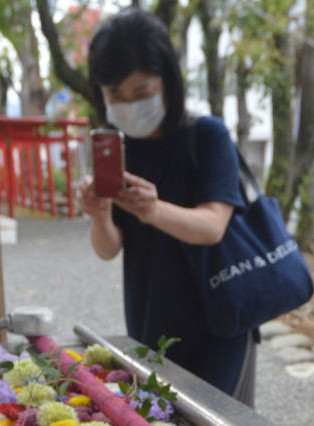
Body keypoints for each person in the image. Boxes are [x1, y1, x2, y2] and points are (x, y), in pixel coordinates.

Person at [77, 7, 257, 405]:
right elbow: (108, 249)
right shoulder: (120, 147)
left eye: (141, 93)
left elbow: (212, 226)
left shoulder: (206, 136)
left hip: (218, 324)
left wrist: (153, 209)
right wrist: (99, 215)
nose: (129, 106)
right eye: (115, 96)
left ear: (168, 83)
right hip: (149, 322)